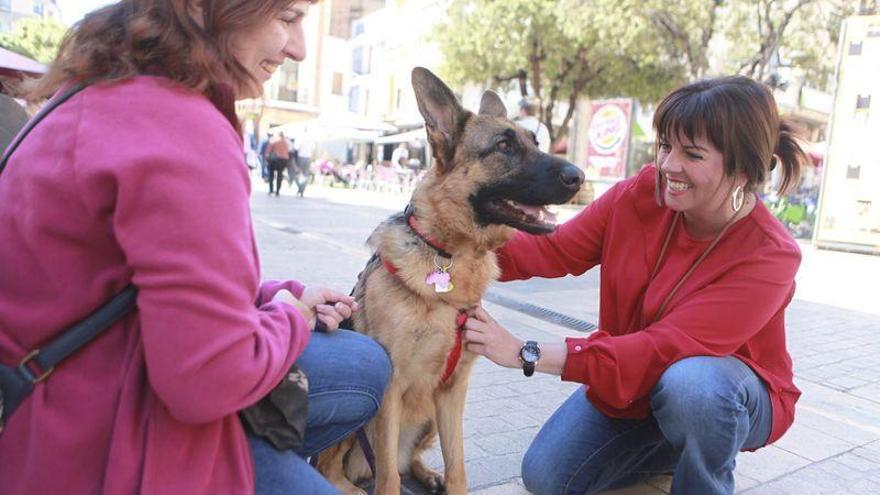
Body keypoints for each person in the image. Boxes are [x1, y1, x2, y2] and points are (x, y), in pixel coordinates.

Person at [0, 1, 391, 494]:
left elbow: (123, 284)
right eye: (287, 18)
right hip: (100, 446)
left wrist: (271, 296)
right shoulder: (182, 128)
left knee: (363, 362)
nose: (298, 48)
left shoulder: (91, 93)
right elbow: (207, 382)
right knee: (354, 371)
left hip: (52, 401)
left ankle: (262, 451)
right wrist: (290, 315)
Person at [463, 76, 808, 495]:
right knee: (547, 476)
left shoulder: (770, 253)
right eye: (665, 146)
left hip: (728, 393)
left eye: (692, 154)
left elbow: (662, 349)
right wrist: (453, 242)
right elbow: (554, 250)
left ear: (742, 169)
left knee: (694, 388)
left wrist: (524, 352)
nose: (668, 166)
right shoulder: (643, 192)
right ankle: (674, 443)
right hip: (635, 379)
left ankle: (704, 466)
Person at [267, 131, 291, 196]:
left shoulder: (274, 140)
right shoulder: (287, 142)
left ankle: (271, 190)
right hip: (284, 160)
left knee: (271, 175)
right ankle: (278, 190)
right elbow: (290, 151)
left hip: (275, 159)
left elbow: (268, 151)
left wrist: (267, 158)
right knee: (280, 175)